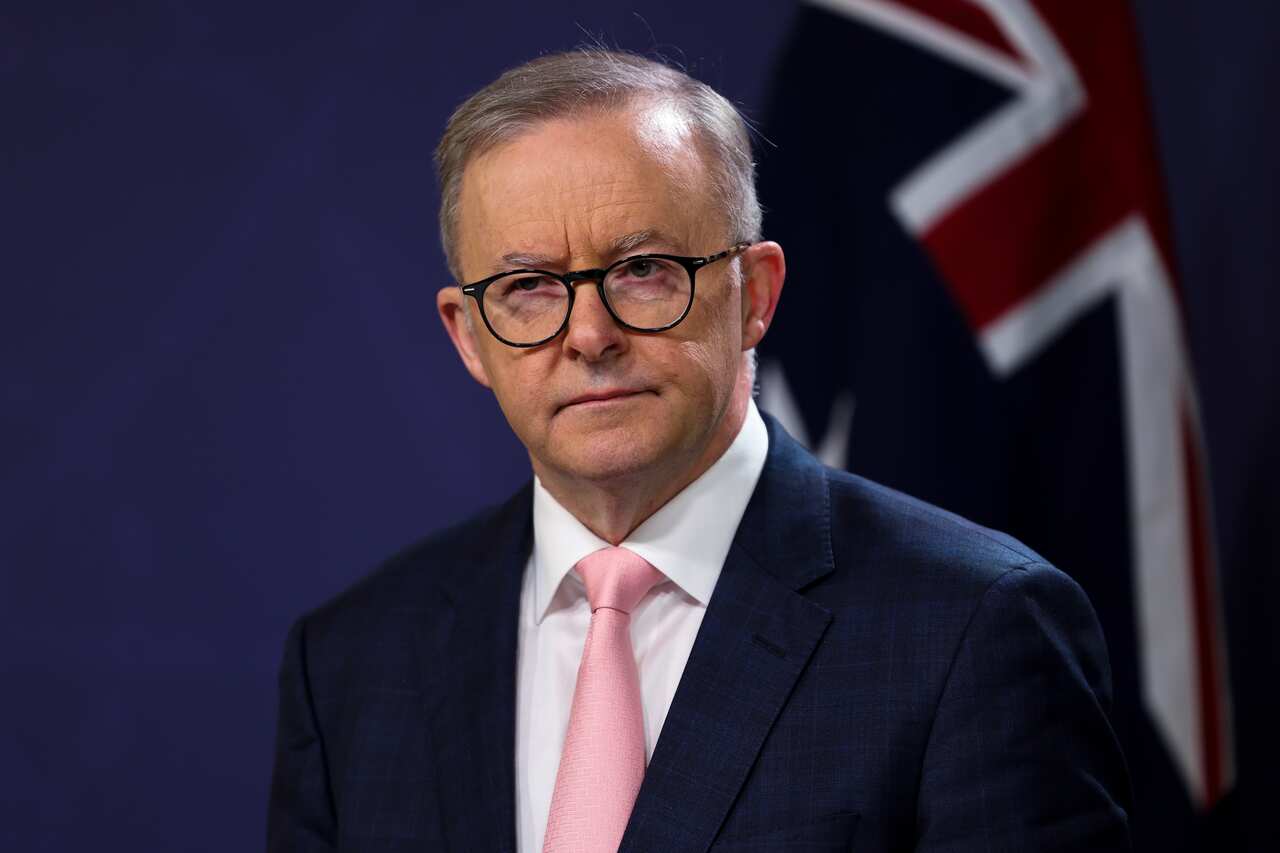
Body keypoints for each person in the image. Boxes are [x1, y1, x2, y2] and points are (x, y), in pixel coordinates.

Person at [267, 49, 1131, 852]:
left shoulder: (973, 628)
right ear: (468, 336)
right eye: (528, 287)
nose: (590, 335)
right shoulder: (352, 663)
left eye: (642, 269)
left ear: (754, 294)